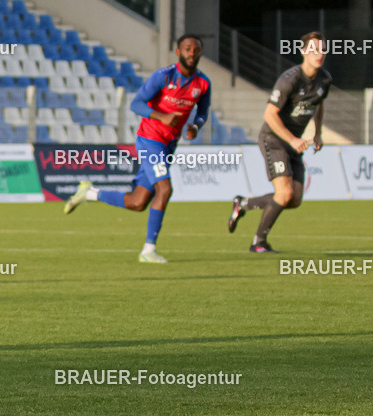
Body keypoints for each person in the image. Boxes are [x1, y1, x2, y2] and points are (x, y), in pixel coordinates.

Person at [64, 35, 211, 263]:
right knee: (165, 190)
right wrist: (162, 117)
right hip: (151, 139)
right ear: (178, 52)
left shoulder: (203, 83)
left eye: (196, 50)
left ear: (200, 53)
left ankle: (89, 193)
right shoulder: (163, 76)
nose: (192, 53)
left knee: (138, 202)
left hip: (169, 144)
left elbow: (202, 112)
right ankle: (148, 250)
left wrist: (196, 126)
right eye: (187, 49)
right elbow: (136, 103)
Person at [227, 31, 329, 252]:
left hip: (294, 143)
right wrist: (292, 139)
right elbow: (269, 115)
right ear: (303, 52)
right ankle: (259, 243)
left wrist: (318, 133)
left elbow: (319, 104)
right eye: (313, 49)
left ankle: (243, 204)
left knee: (294, 199)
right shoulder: (290, 79)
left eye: (322, 49)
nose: (318, 54)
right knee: (284, 193)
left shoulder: (325, 79)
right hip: (274, 139)